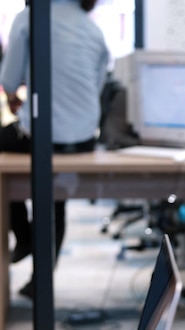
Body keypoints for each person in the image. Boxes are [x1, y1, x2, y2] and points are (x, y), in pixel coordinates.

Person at [0, 0, 109, 300]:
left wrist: (12, 97)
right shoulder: (93, 28)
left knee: (5, 146)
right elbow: (96, 87)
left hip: (43, 136)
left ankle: (23, 237)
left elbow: (8, 79)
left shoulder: (30, 16)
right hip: (84, 138)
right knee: (54, 197)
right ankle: (40, 282)